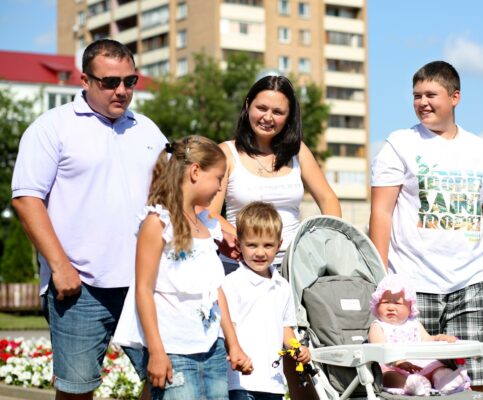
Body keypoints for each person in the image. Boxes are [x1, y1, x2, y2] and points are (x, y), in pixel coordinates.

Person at [11, 39, 167, 400]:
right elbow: (26, 200)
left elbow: (175, 195)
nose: (122, 91)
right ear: (85, 80)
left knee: (166, 379)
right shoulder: (52, 127)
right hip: (80, 286)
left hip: (145, 283)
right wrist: (59, 266)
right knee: (77, 391)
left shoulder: (147, 130)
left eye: (130, 81)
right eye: (110, 82)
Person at [369, 60, 483, 391]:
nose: (422, 102)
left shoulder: (481, 150)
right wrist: (381, 276)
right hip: (411, 285)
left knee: (474, 382)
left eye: (430, 95)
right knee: (413, 382)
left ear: (455, 97)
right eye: (416, 95)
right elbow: (381, 212)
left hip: (472, 283)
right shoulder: (399, 144)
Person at [113, 136, 253, 400]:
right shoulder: (158, 223)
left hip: (212, 349)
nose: (220, 186)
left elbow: (216, 291)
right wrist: (156, 352)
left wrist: (233, 344)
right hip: (173, 350)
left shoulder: (207, 226)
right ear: (195, 171)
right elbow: (144, 290)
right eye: (218, 178)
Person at [208, 74, 341, 274]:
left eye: (278, 112)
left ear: (289, 116)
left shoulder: (298, 151)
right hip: (239, 266)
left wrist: (324, 241)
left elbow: (328, 198)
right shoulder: (225, 153)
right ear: (248, 105)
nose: (268, 117)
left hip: (295, 266)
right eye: (261, 108)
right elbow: (209, 213)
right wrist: (250, 245)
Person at [222, 201, 311, 400]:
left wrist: (297, 349)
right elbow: (229, 328)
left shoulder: (283, 286)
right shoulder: (232, 283)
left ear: (279, 245)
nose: (260, 253)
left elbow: (285, 328)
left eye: (268, 245)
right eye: (252, 245)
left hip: (273, 383)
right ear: (238, 244)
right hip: (241, 381)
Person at [368, 274, 470, 396]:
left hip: (420, 364)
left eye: (397, 303)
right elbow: (379, 349)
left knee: (438, 368)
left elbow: (427, 339)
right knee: (388, 376)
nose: (391, 307)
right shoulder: (378, 326)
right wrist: (398, 362)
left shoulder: (414, 323)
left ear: (410, 307)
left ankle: (445, 380)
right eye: (385, 302)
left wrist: (439, 338)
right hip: (392, 366)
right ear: (376, 304)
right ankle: (412, 385)